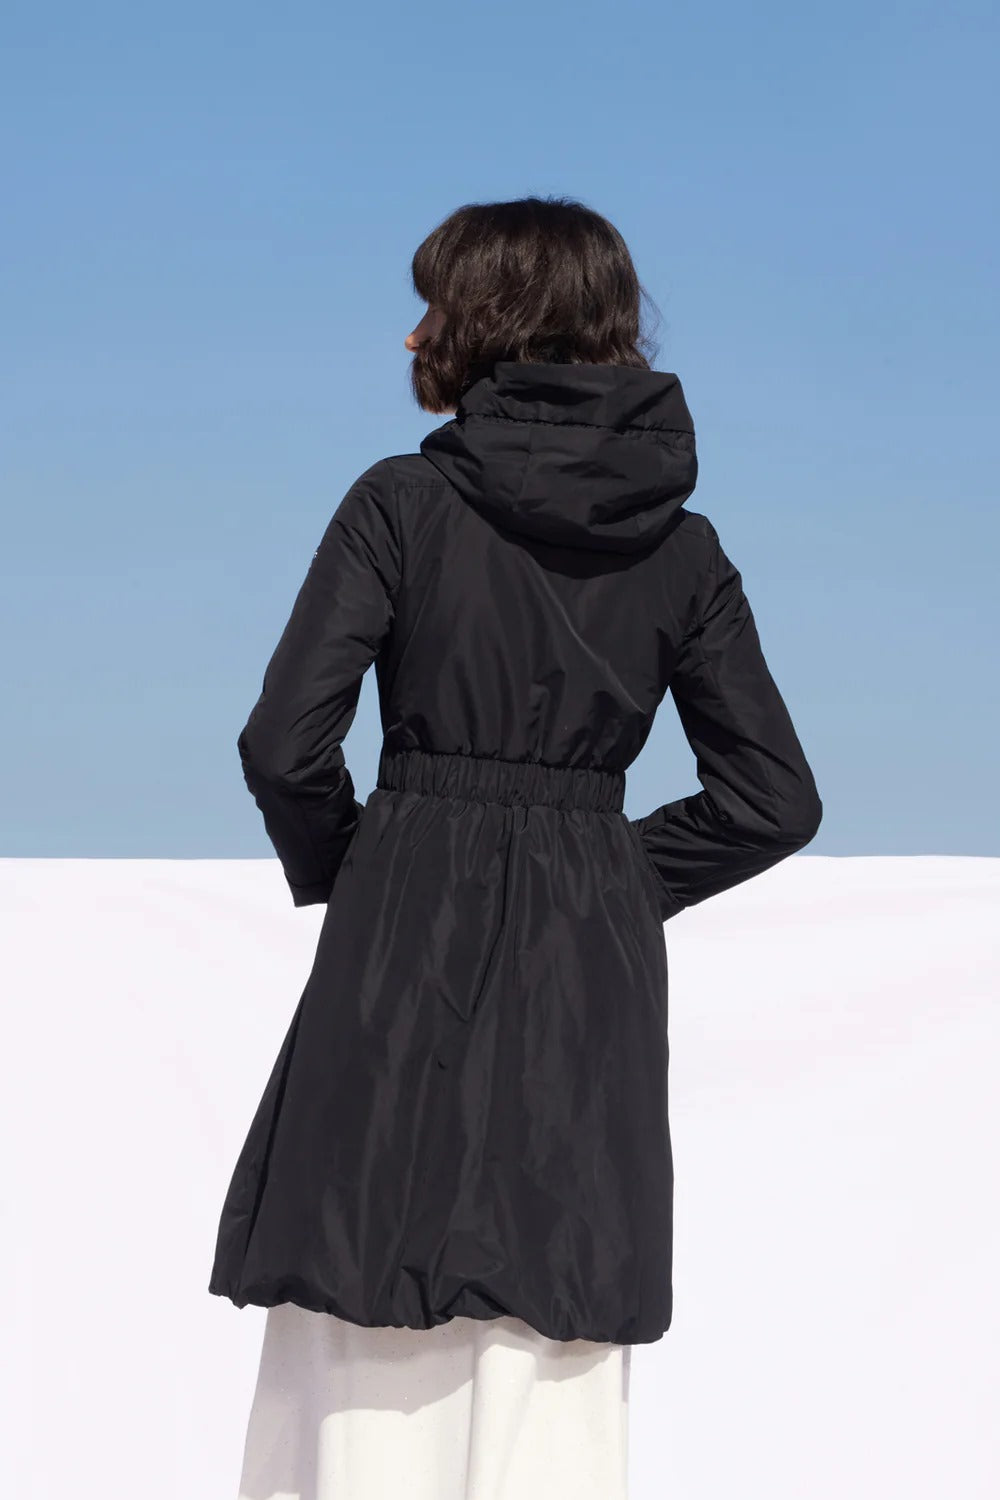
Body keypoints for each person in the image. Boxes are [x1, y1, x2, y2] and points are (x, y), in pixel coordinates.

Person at [209, 194, 823, 1499]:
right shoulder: (686, 551)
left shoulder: (401, 504)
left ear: (488, 323)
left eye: (432, 305)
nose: (412, 335)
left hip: (402, 935)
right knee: (555, 1318)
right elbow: (774, 798)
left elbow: (283, 746)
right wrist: (611, 876)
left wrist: (358, 866)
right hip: (588, 968)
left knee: (364, 1297)